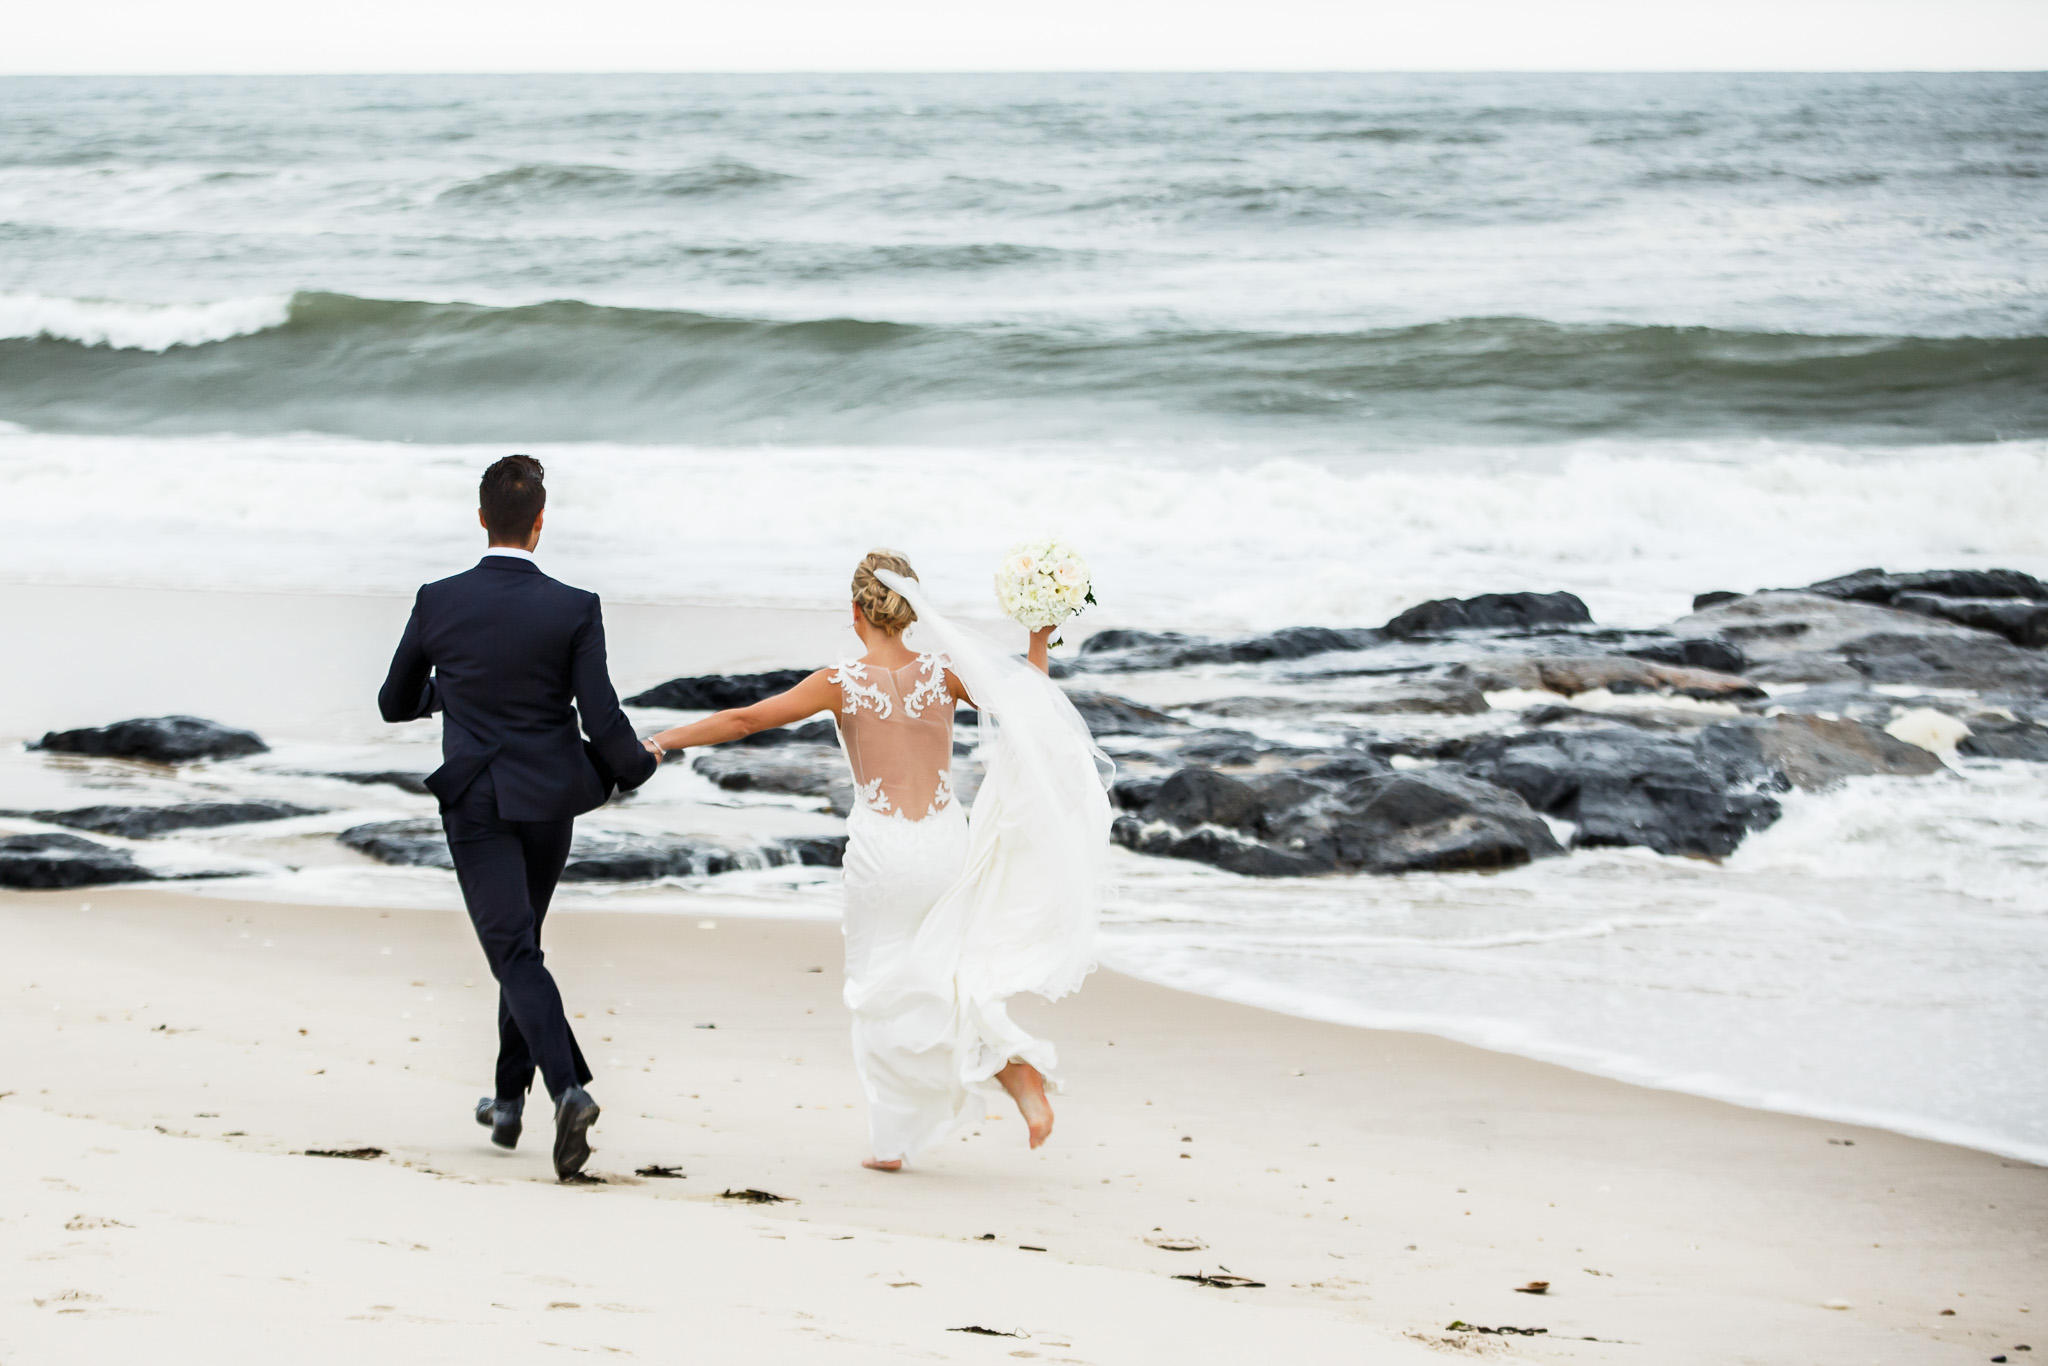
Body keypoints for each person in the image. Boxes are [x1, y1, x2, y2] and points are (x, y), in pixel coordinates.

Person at [646, 550, 1112, 1170]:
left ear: (858, 610)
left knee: (878, 988)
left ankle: (894, 1143)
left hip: (883, 853)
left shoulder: (839, 682)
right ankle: (1011, 1070)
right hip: (945, 842)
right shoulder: (946, 674)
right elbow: (1032, 710)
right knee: (948, 972)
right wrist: (1037, 637)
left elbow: (745, 719)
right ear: (910, 612)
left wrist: (659, 740)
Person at [377, 454, 659, 1181]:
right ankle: (508, 1101)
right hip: (549, 801)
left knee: (514, 953)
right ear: (539, 524)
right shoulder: (573, 605)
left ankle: (568, 1091)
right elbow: (601, 715)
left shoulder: (439, 600)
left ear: (481, 520)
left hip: (478, 801)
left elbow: (394, 700)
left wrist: (451, 694)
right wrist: (638, 764)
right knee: (522, 945)